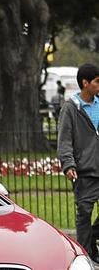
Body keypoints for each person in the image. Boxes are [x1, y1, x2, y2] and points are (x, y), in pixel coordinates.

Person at [58, 63, 99, 263]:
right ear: (85, 83)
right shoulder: (70, 109)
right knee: (84, 213)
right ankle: (86, 257)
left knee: (88, 223)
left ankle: (90, 238)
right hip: (84, 172)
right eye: (97, 81)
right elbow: (64, 140)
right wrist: (69, 164)